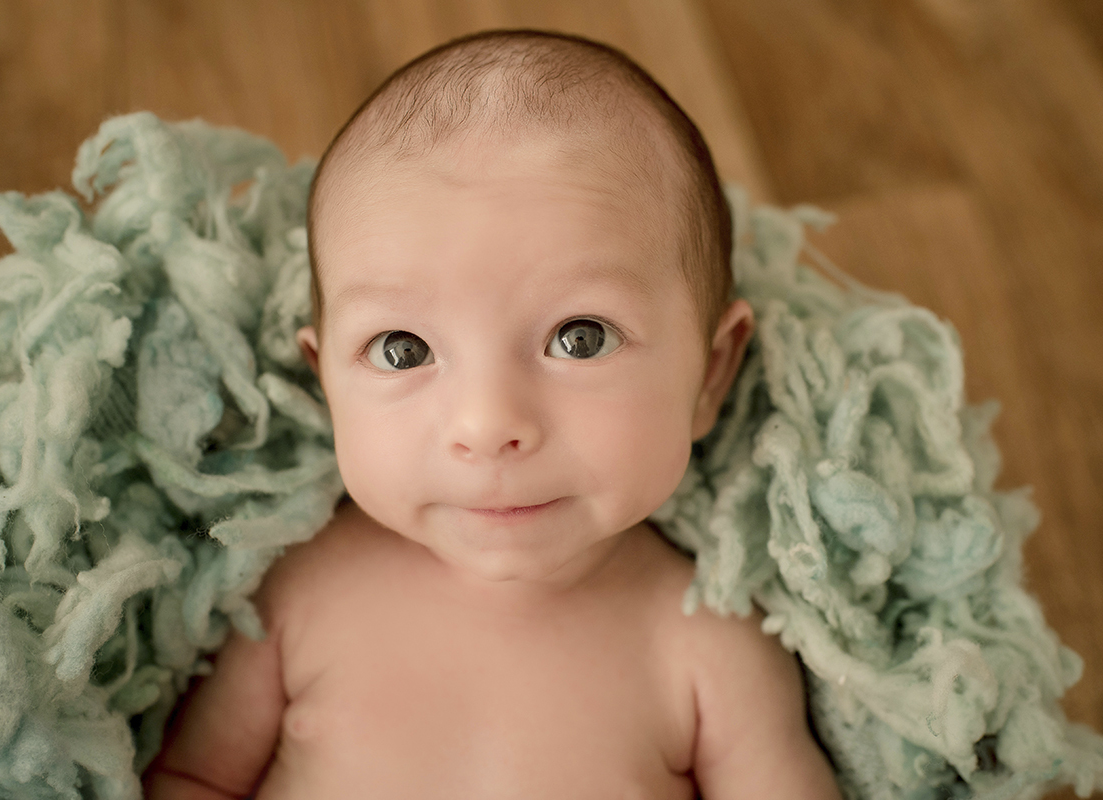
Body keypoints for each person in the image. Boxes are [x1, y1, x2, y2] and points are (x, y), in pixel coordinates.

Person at [143, 29, 842, 800]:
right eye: (403, 350)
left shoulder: (709, 646)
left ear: (710, 374)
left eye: (580, 338)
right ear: (325, 382)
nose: (486, 424)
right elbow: (192, 779)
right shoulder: (296, 595)